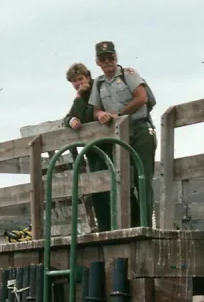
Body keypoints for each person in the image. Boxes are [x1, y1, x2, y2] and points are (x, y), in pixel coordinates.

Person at [88, 41, 156, 228]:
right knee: (121, 179)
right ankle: (130, 224)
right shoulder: (99, 83)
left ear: (116, 57)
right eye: (103, 58)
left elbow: (141, 98)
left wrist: (120, 114)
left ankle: (145, 224)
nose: (107, 61)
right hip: (118, 135)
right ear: (97, 62)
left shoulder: (129, 75)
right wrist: (100, 114)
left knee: (142, 177)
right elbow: (96, 109)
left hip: (140, 129)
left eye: (111, 57)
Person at [63, 62, 95, 130]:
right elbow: (67, 117)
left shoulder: (96, 88)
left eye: (80, 79)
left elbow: (85, 118)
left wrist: (79, 95)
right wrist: (72, 120)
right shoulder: (81, 94)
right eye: (74, 81)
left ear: (88, 78)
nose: (78, 83)